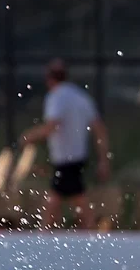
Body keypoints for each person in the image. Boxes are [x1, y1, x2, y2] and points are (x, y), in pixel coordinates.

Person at [18, 59, 110, 230]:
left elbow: (52, 125)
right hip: (78, 157)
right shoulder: (81, 97)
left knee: (64, 200)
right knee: (70, 198)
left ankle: (47, 235)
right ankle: (83, 233)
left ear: (49, 80)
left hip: (64, 158)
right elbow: (99, 129)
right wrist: (103, 159)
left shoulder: (56, 97)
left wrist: (29, 136)